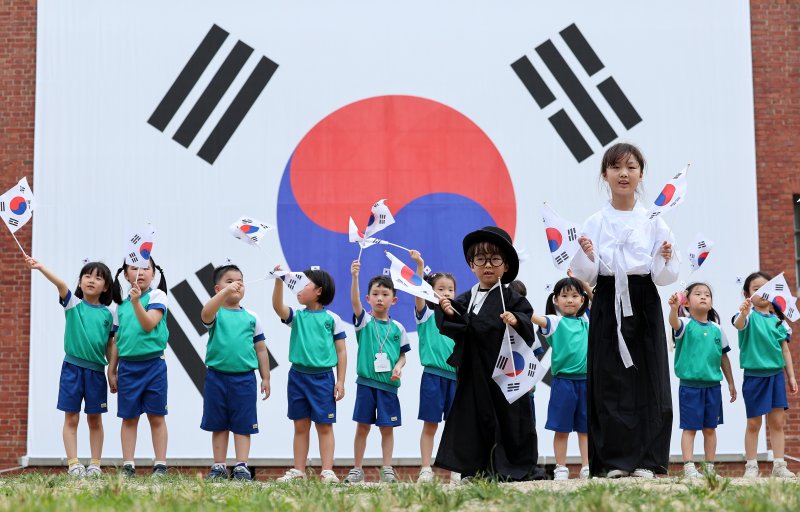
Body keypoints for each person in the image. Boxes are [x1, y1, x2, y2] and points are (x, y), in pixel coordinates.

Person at [570, 142, 677, 478]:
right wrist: (586, 253)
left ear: (641, 174)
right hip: (606, 300)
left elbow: (664, 276)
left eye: (631, 167)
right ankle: (614, 460)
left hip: (643, 298)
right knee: (609, 378)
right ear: (605, 175)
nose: (624, 174)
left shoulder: (654, 220)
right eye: (616, 167)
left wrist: (665, 254)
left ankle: (647, 459)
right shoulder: (594, 221)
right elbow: (585, 276)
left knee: (649, 375)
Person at [435, 226, 541, 481]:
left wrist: (515, 320)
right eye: (481, 260)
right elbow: (453, 327)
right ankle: (476, 469)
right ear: (472, 265)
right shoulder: (465, 299)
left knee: (510, 418)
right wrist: (448, 313)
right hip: (473, 371)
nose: (488, 266)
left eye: (495, 259)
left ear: (505, 265)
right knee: (474, 419)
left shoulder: (511, 297)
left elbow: (527, 323)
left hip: (505, 370)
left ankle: (512, 468)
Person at [27, 257, 116, 477]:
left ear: (105, 286)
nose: (91, 280)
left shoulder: (110, 313)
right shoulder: (72, 304)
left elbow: (110, 345)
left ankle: (95, 464)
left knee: (95, 419)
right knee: (72, 418)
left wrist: (111, 371)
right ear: (79, 282)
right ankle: (74, 464)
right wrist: (41, 267)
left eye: (98, 277)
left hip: (96, 373)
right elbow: (60, 285)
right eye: (87, 276)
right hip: (72, 370)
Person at [272, 266, 347, 483]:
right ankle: (298, 471)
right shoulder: (297, 316)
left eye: (304, 284)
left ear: (319, 291)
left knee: (324, 426)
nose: (297, 288)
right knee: (300, 425)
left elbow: (341, 351)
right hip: (297, 377)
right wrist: (279, 280)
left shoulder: (332, 319)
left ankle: (327, 471)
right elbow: (278, 306)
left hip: (323, 379)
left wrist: (340, 381)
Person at [201, 264, 271, 481]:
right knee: (218, 424)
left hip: (244, 379)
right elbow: (205, 313)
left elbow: (261, 349)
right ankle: (219, 466)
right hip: (216, 377)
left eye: (239, 281)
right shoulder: (216, 313)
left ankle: (241, 465)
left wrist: (265, 377)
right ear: (217, 288)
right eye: (229, 281)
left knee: (243, 424)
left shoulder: (252, 317)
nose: (236, 285)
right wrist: (224, 294)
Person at [344, 260, 410, 484]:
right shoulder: (364, 322)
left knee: (387, 428)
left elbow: (403, 356)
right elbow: (354, 301)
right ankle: (356, 469)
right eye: (375, 293)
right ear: (368, 298)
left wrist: (398, 367)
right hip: (366, 384)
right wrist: (355, 277)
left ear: (394, 299)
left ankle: (388, 468)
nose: (380, 298)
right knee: (362, 427)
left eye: (385, 293)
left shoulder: (398, 328)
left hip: (389, 386)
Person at [108, 258, 169, 478]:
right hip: (128, 367)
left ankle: (160, 465)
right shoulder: (120, 307)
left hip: (154, 365)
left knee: (156, 416)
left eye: (146, 268)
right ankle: (128, 465)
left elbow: (149, 323)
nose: (140, 272)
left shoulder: (157, 296)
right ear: (125, 274)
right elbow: (116, 340)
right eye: (134, 268)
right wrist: (112, 369)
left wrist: (136, 302)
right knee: (129, 417)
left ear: (153, 274)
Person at [667, 282, 736, 478]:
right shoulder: (684, 324)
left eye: (707, 294)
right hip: (690, 387)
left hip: (713, 387)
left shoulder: (717, 329)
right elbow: (674, 322)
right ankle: (689, 467)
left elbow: (724, 357)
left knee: (710, 429)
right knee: (690, 428)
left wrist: (730, 382)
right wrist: (673, 309)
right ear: (686, 302)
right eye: (698, 294)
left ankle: (709, 469)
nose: (704, 297)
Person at [733, 271, 797, 478]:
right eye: (756, 289)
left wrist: (791, 376)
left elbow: (785, 350)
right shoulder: (747, 317)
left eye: (766, 288)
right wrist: (743, 313)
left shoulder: (780, 322)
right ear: (747, 294)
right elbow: (738, 324)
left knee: (777, 422)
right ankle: (751, 465)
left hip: (776, 376)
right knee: (754, 423)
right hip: (754, 376)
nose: (762, 292)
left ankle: (779, 465)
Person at [530, 276, 590, 481]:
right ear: (556, 300)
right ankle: (561, 468)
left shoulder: (587, 321)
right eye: (564, 296)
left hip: (586, 382)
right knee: (561, 428)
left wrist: (584, 285)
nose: (570, 300)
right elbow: (535, 318)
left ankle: (587, 466)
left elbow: (598, 302)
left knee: (585, 429)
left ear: (582, 300)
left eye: (575, 295)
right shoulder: (555, 322)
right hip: (563, 382)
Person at [408, 250, 457, 483]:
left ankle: (458, 469)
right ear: (431, 291)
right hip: (432, 377)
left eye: (450, 289)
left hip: (456, 378)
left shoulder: (459, 316)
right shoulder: (425, 315)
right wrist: (420, 265)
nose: (446, 292)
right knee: (431, 424)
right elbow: (417, 289)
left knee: (456, 426)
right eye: (441, 289)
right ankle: (426, 468)